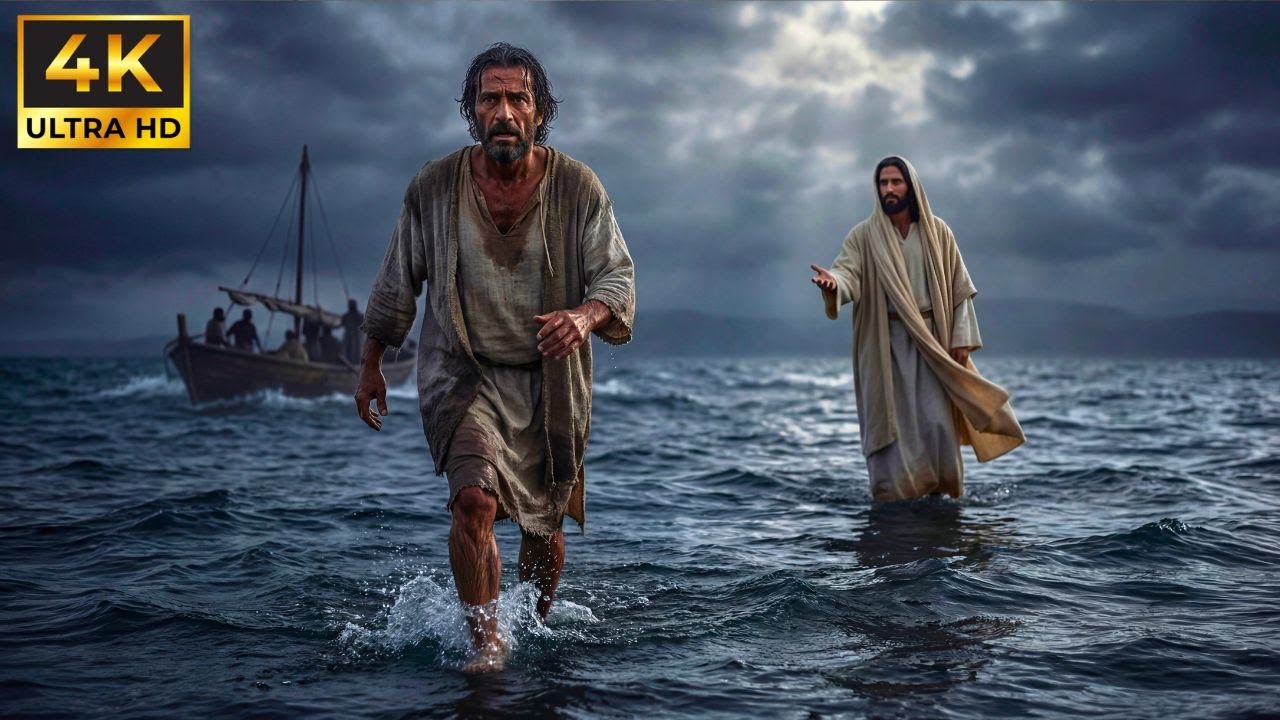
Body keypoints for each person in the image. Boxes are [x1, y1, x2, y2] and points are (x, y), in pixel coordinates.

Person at [354, 42, 635, 672]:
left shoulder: (578, 186)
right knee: (473, 502)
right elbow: (398, 281)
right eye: (490, 98)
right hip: (464, 375)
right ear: (472, 110)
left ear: (540, 112)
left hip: (551, 383)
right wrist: (372, 362)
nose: (504, 111)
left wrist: (583, 317)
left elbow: (617, 280)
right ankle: (487, 644)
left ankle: (531, 626)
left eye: (518, 98)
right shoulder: (433, 187)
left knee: (546, 531)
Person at [810, 156, 1023, 501]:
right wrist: (833, 283)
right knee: (890, 426)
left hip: (932, 342)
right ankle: (894, 496)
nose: (889, 189)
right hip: (884, 342)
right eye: (883, 183)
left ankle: (940, 492)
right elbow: (847, 273)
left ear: (911, 185)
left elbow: (960, 291)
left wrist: (961, 340)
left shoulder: (938, 232)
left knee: (937, 423)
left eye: (896, 182)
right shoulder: (864, 236)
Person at [341, 299, 364, 364]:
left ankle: (356, 362)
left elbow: (361, 323)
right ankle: (348, 361)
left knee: (356, 349)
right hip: (348, 335)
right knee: (348, 349)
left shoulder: (359, 315)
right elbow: (343, 323)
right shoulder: (346, 316)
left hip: (356, 335)